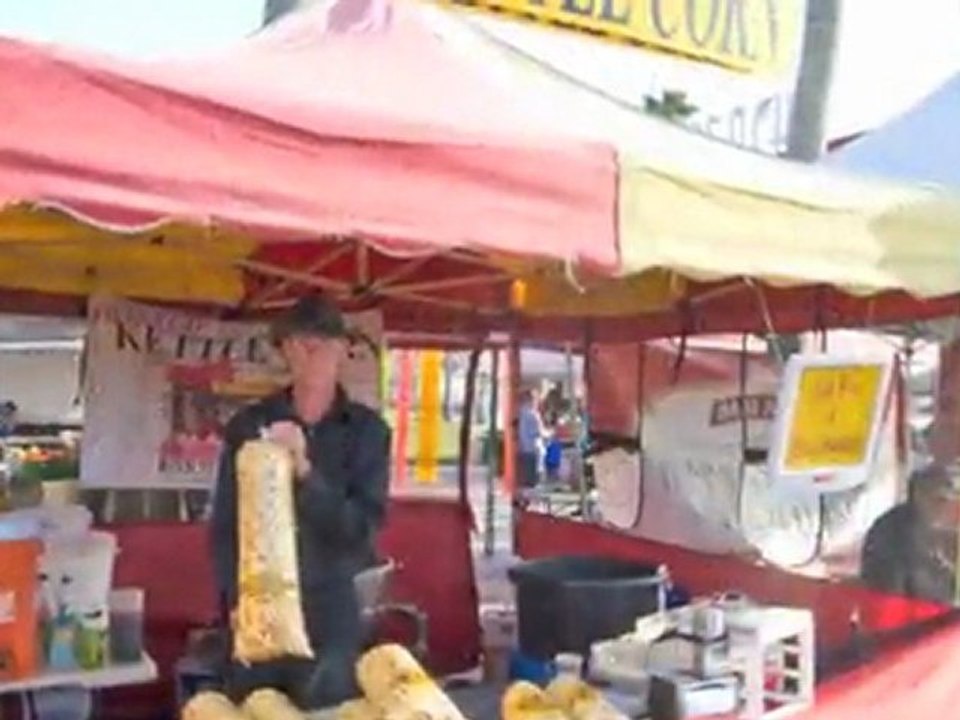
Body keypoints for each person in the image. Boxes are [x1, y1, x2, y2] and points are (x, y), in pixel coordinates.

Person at [211, 295, 390, 709]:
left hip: (331, 613)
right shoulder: (249, 425)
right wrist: (231, 602)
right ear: (284, 351)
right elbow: (225, 525)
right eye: (300, 345)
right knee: (253, 709)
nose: (311, 356)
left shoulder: (367, 432)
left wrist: (306, 471)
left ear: (343, 352)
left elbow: (361, 530)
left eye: (323, 346)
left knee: (327, 710)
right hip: (259, 610)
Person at [860, 464, 960, 605]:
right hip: (905, 612)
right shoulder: (892, 531)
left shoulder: (939, 526)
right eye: (938, 500)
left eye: (948, 501)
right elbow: (890, 589)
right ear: (918, 496)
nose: (943, 508)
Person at [516, 388, 548, 490]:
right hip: (533, 449)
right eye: (536, 399)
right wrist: (550, 433)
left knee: (526, 480)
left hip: (523, 448)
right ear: (531, 400)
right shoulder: (533, 414)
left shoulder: (520, 412)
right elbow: (539, 432)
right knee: (533, 481)